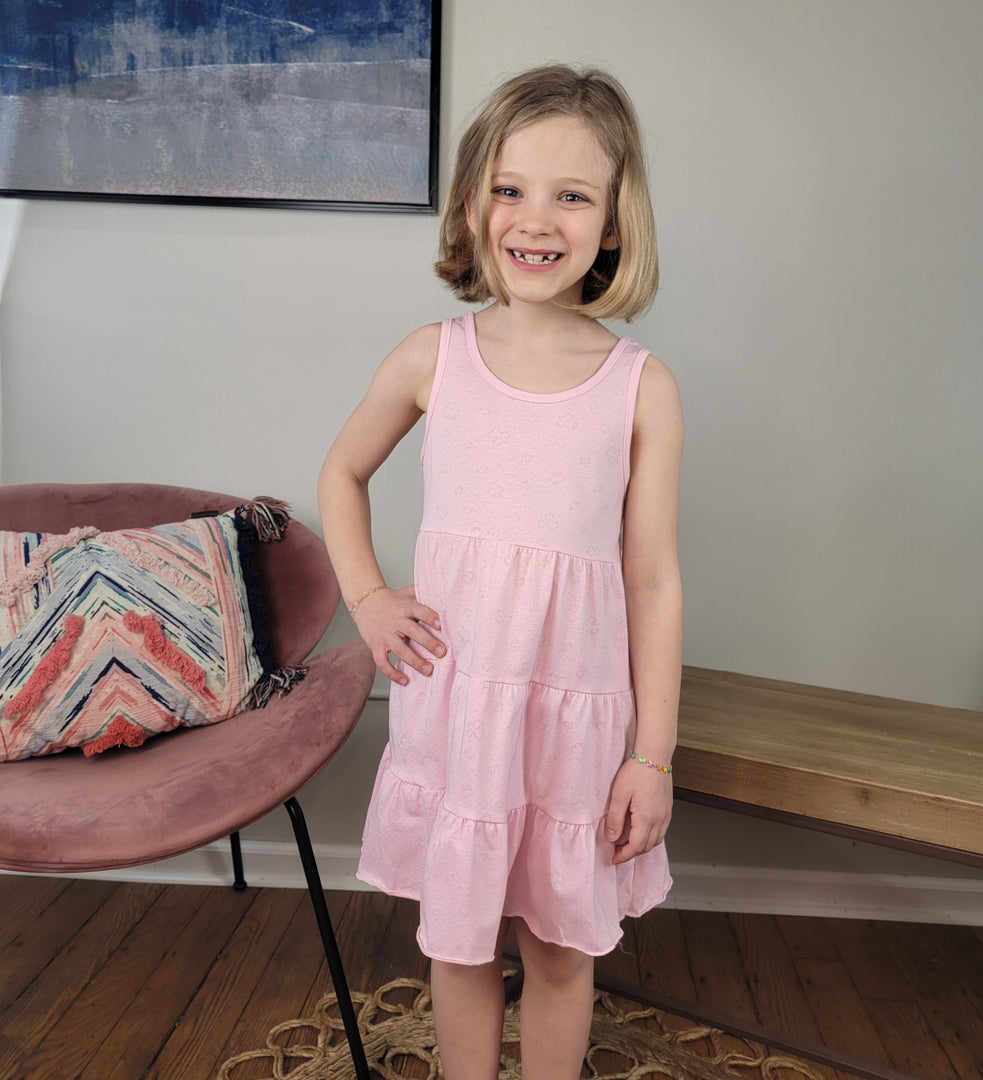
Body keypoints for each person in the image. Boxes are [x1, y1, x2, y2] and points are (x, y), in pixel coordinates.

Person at [318, 63, 683, 1080]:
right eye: (512, 188)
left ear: (613, 222)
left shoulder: (639, 388)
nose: (536, 218)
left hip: (578, 720)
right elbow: (341, 473)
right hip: (463, 710)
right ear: (475, 201)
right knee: (460, 939)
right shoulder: (432, 358)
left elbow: (652, 582)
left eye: (573, 194)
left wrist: (650, 758)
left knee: (562, 947)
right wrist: (369, 596)